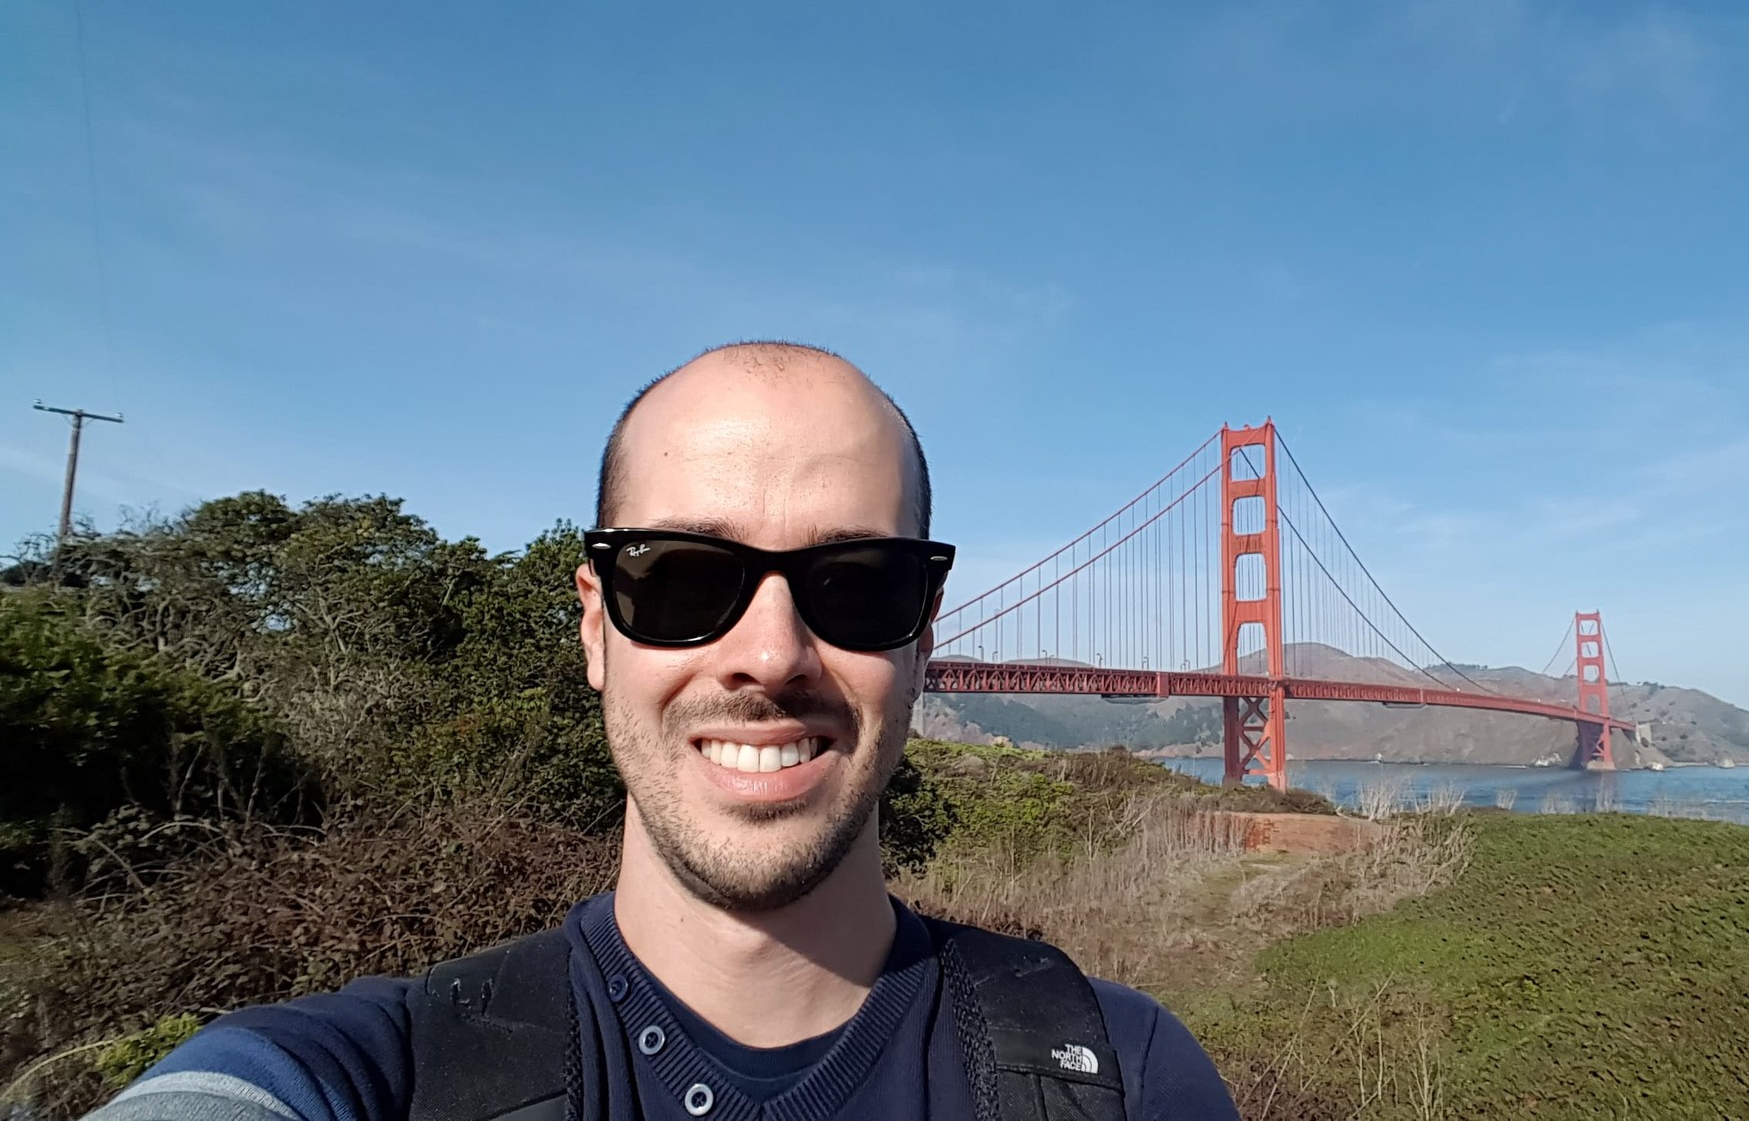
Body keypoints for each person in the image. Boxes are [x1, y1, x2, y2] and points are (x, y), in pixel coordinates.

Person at [91, 342, 1240, 1121]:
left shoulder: (1122, 1077)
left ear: (921, 634)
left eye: (855, 584)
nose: (771, 653)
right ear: (595, 629)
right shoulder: (372, 1074)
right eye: (685, 580)